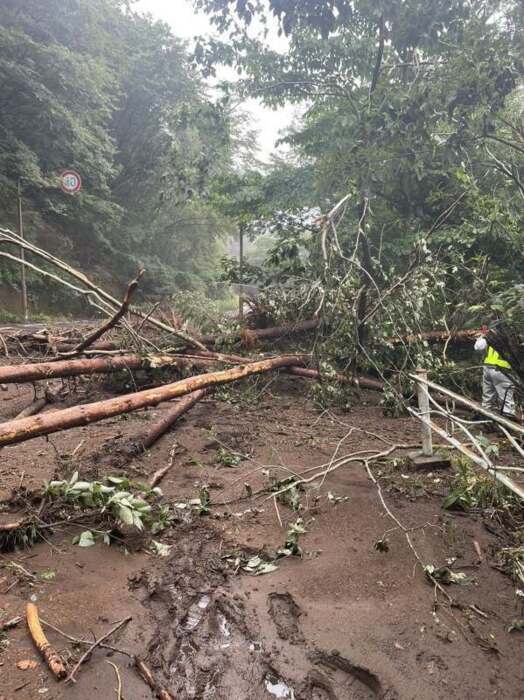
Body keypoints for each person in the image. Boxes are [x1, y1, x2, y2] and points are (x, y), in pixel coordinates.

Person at [474, 326, 516, 418]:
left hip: (488, 368)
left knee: (487, 399)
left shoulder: (490, 334)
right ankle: (507, 426)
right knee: (507, 401)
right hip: (503, 370)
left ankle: (487, 421)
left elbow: (478, 347)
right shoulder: (512, 335)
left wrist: (483, 335)